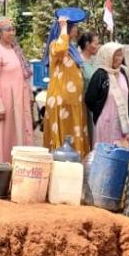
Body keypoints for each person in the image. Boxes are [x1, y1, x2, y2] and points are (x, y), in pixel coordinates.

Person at [0, 18, 34, 163]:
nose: (12, 33)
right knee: (5, 135)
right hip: (5, 102)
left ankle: (20, 166)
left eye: (13, 29)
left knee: (19, 132)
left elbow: (24, 76)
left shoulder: (15, 49)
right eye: (8, 30)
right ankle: (3, 167)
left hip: (19, 99)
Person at [42, 15, 88, 156]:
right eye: (74, 27)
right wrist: (63, 26)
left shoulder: (72, 49)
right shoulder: (55, 45)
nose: (76, 29)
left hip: (73, 102)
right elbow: (61, 49)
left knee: (74, 134)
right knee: (63, 139)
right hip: (61, 101)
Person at [85, 41, 129, 148]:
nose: (119, 58)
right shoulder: (100, 75)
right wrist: (102, 113)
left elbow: (128, 98)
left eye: (120, 55)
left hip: (122, 124)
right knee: (105, 152)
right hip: (105, 123)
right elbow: (89, 99)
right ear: (107, 56)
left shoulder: (123, 72)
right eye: (115, 55)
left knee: (122, 152)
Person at [78, 32, 100, 150]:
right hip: (83, 104)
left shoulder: (95, 61)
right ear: (87, 44)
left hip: (95, 106)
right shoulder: (78, 62)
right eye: (95, 43)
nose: (97, 46)